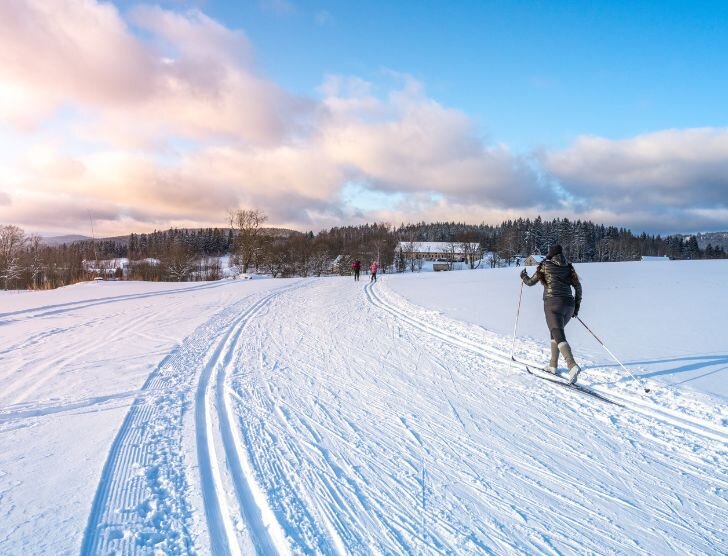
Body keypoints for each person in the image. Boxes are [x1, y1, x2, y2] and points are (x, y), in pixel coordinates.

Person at [520, 244, 583, 384]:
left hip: (553, 304)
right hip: (569, 305)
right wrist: (576, 307)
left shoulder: (545, 266)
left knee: (557, 332)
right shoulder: (568, 267)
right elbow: (578, 287)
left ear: (550, 254)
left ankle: (572, 365)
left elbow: (530, 282)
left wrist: (523, 276)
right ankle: (553, 365)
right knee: (555, 332)